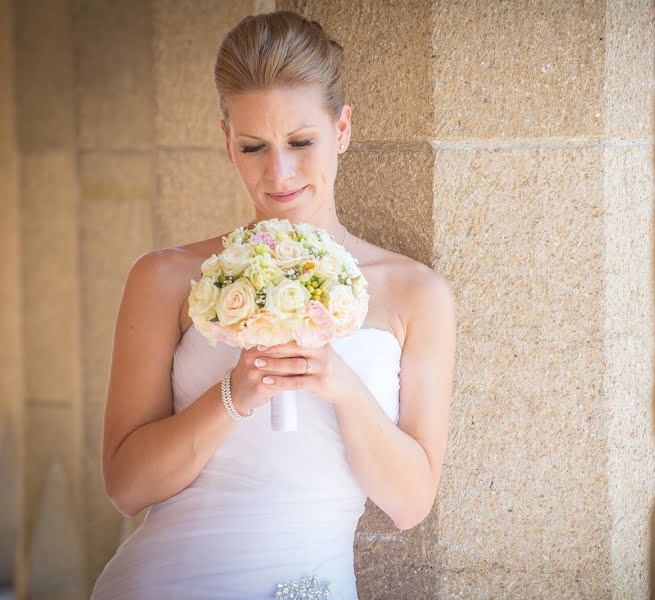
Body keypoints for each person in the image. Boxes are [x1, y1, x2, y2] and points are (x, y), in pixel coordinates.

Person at [90, 10, 456, 600]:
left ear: (342, 130)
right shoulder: (164, 278)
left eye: (301, 141)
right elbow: (126, 488)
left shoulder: (416, 293)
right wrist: (236, 395)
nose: (279, 172)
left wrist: (338, 383)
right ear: (226, 143)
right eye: (253, 146)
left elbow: (411, 503)